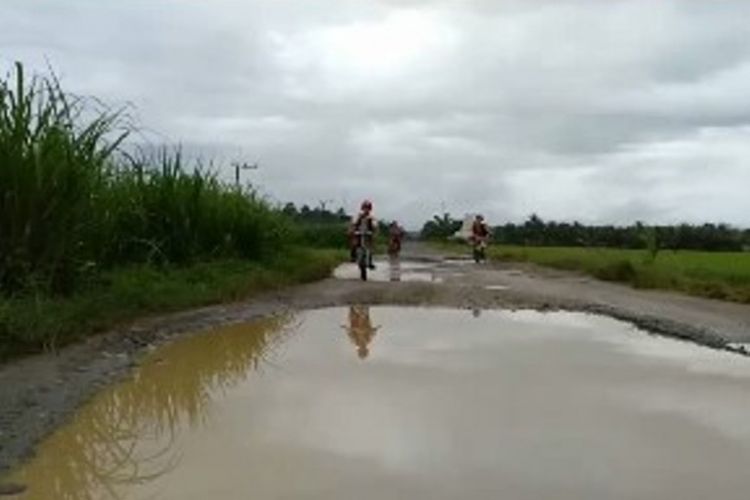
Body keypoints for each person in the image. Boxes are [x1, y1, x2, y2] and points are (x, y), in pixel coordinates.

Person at [348, 199, 376, 269]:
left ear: (370, 209)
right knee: (354, 243)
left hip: (368, 234)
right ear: (362, 208)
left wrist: (374, 230)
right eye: (365, 207)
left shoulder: (372, 217)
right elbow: (353, 224)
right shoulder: (358, 215)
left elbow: (375, 225)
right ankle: (353, 257)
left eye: (368, 208)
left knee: (370, 246)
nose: (366, 209)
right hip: (359, 233)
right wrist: (351, 230)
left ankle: (370, 262)